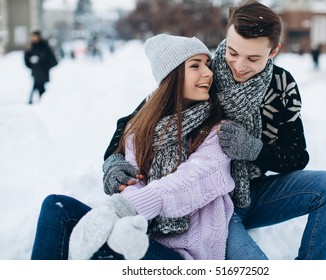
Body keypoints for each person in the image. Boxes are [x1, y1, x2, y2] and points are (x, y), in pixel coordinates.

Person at [103, 0, 326, 260]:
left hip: (254, 192)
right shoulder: (205, 74)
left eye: (253, 58)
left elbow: (297, 156)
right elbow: (136, 121)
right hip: (212, 202)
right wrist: (112, 162)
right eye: (233, 52)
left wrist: (254, 150)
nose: (239, 65)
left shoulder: (281, 86)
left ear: (273, 51)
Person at [31, 34, 235, 260]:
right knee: (56, 208)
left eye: (207, 65)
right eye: (195, 65)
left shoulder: (218, 128)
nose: (208, 73)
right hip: (140, 238)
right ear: (172, 76)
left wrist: (127, 207)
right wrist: (123, 216)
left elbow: (195, 177)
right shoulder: (141, 129)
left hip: (185, 256)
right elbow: (132, 179)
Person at [24, 30, 58, 104]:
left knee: (39, 86)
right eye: (33, 37)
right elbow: (27, 59)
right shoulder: (32, 47)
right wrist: (31, 62)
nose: (34, 38)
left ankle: (39, 101)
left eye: (36, 36)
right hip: (36, 72)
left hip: (43, 72)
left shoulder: (45, 47)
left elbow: (54, 61)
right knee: (38, 86)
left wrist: (43, 64)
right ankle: (40, 101)